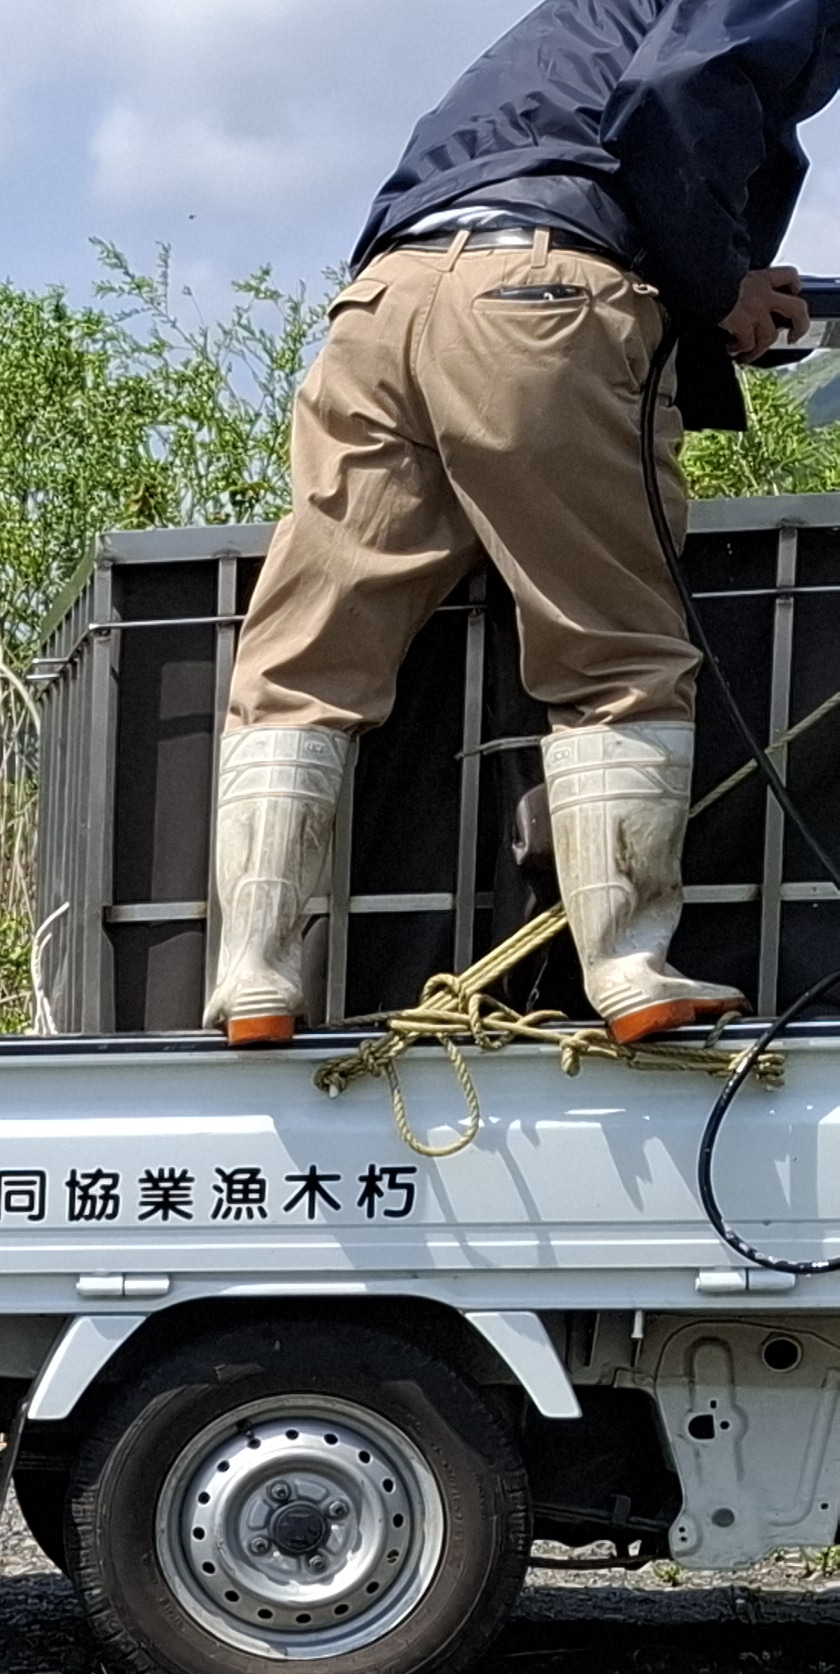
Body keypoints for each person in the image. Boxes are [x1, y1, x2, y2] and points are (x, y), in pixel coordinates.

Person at [209, 0, 840, 1050]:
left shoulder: (580, 22)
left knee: (302, 663)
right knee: (616, 656)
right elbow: (674, 96)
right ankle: (630, 969)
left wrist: (719, 270)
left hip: (381, 307)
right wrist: (705, 285)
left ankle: (254, 978)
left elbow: (567, 142)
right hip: (543, 296)